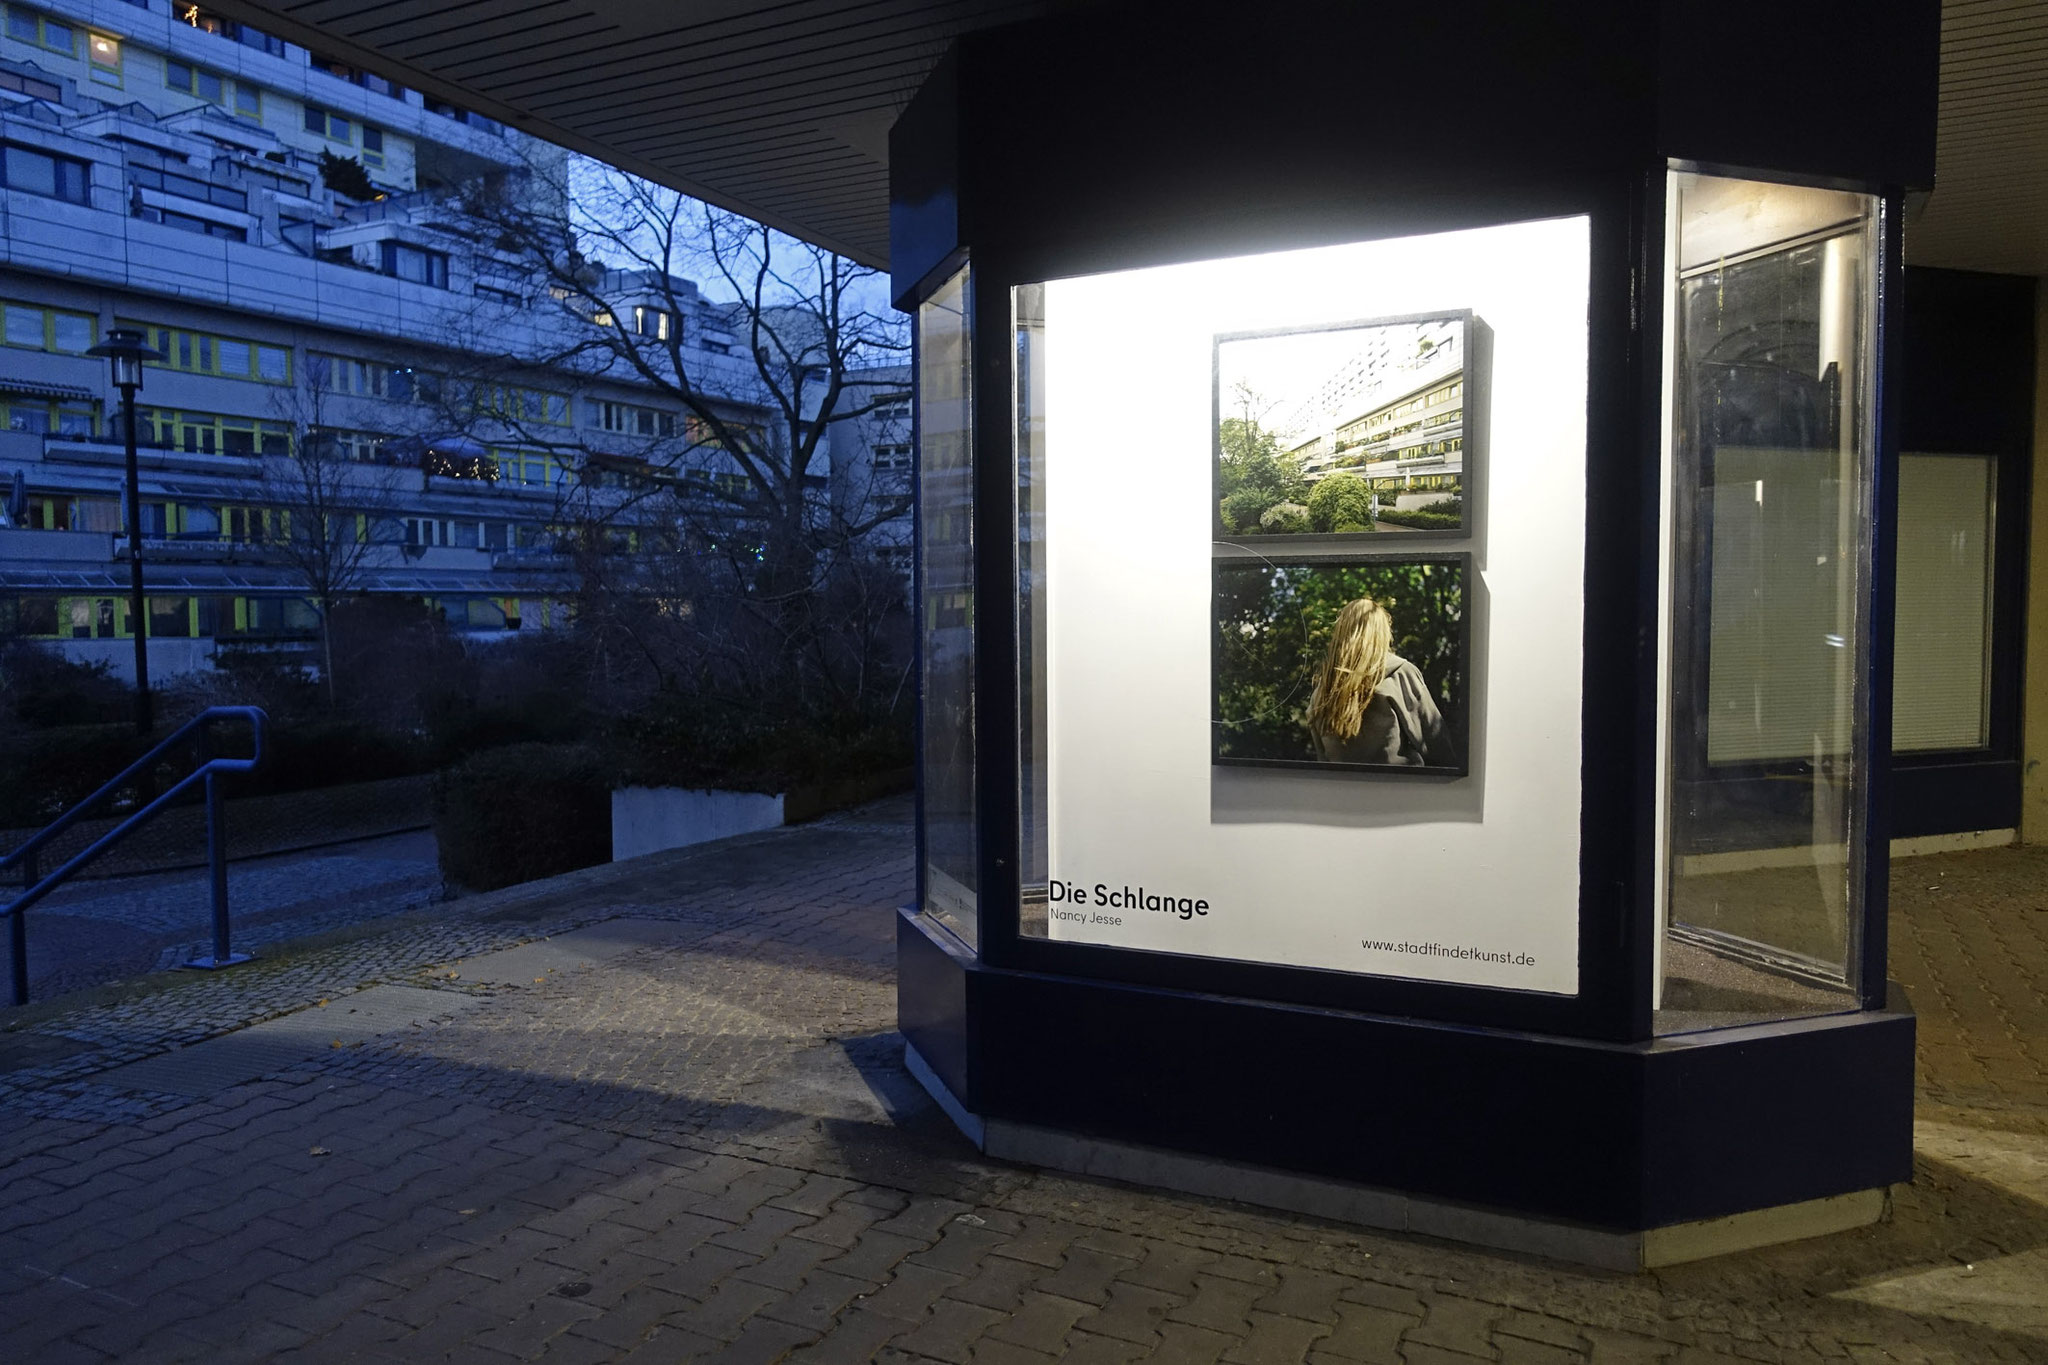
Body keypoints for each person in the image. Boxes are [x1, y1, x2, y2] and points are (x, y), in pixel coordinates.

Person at [1305, 596, 1453, 767]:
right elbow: (1436, 742)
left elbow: (1322, 759)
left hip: (1340, 789)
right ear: (1382, 632)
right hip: (1401, 788)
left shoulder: (1322, 691)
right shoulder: (1401, 673)